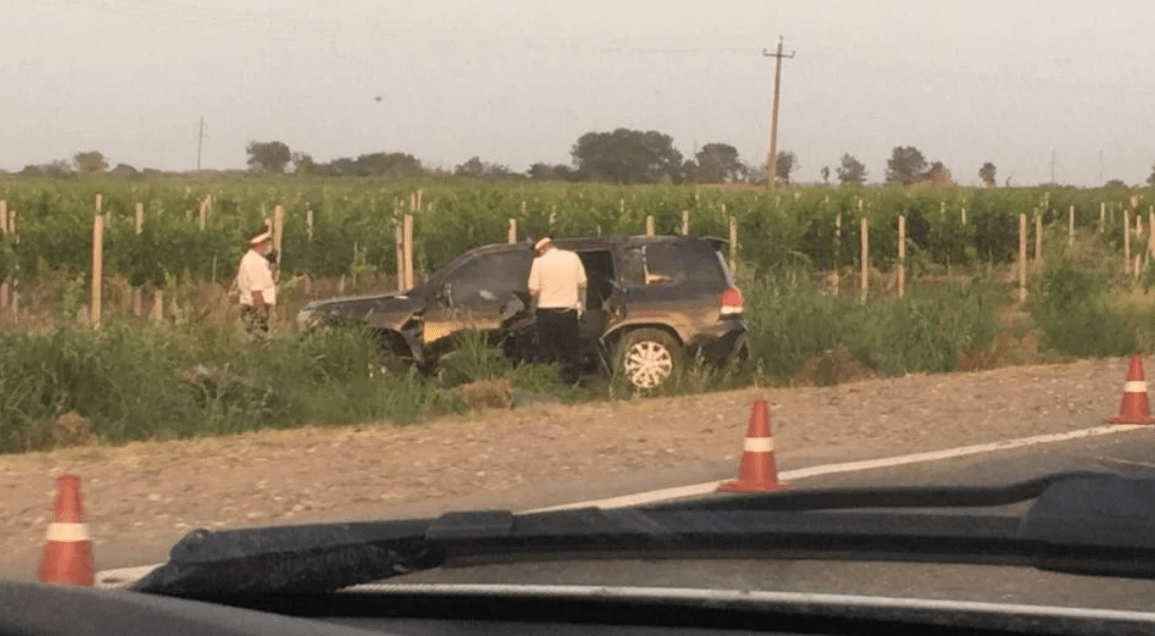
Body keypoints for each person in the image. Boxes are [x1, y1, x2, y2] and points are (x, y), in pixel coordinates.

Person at [527, 236, 587, 386]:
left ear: (541, 249)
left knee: (547, 350)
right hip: (569, 312)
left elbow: (533, 291)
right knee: (570, 349)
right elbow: (583, 283)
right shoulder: (572, 257)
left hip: (546, 313)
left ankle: (550, 382)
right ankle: (573, 382)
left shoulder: (538, 263)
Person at [236, 227, 277, 341]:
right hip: (255, 308)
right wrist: (262, 313)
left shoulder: (257, 260)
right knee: (258, 341)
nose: (269, 246)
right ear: (260, 244)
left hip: (255, 307)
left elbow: (266, 281)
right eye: (267, 243)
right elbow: (256, 291)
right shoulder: (254, 263)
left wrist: (272, 263)